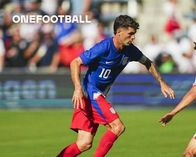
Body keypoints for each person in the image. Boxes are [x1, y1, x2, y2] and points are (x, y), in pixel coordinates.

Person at [57, 15, 175, 157]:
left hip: (93, 97)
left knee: (84, 143)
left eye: (134, 34)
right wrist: (77, 88)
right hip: (90, 93)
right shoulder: (104, 47)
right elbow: (75, 62)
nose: (133, 38)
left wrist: (161, 82)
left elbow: (148, 62)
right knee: (117, 127)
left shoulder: (130, 50)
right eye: (130, 34)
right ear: (119, 32)